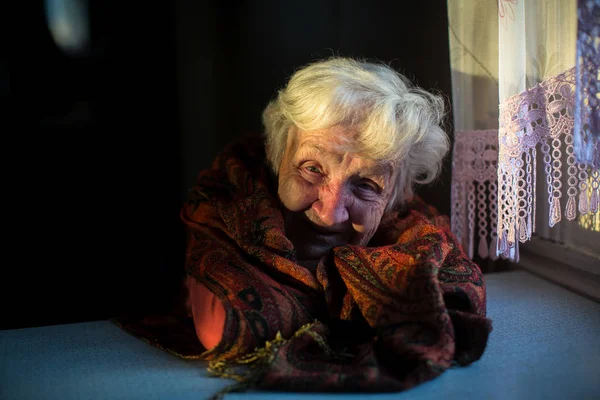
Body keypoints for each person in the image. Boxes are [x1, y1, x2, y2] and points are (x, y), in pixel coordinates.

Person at [179, 57, 492, 392]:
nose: (331, 213)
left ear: (395, 201)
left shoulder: (418, 233)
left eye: (366, 187)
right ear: (276, 156)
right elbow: (227, 325)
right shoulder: (226, 204)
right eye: (312, 169)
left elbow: (454, 301)